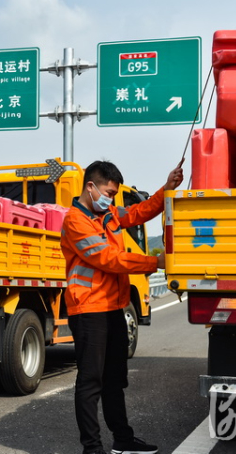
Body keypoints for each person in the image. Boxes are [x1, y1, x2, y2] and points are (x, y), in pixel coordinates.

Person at [60, 159, 184, 454]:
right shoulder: (76, 221)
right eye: (109, 191)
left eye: (114, 194)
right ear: (90, 187)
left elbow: (140, 212)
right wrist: (155, 262)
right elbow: (108, 259)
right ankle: (92, 449)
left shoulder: (110, 214)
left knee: (115, 379)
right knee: (91, 382)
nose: (111, 198)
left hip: (114, 307)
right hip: (89, 310)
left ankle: (123, 440)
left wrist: (165, 188)